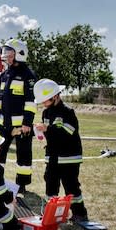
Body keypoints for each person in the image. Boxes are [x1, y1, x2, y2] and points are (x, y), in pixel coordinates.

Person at [33, 78, 88, 222]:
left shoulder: (68, 112)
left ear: (55, 96)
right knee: (50, 184)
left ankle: (80, 213)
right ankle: (49, 214)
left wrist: (47, 129)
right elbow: (49, 135)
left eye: (46, 100)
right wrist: (39, 132)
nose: (43, 104)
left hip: (69, 157)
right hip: (52, 156)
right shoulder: (46, 113)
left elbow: (66, 135)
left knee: (71, 185)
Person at [0, 38, 37, 194]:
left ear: (20, 54)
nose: (6, 56)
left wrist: (27, 123)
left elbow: (31, 102)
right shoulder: (4, 75)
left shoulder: (28, 75)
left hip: (21, 126)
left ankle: (22, 185)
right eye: (5, 53)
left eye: (9, 53)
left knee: (23, 155)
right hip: (3, 124)